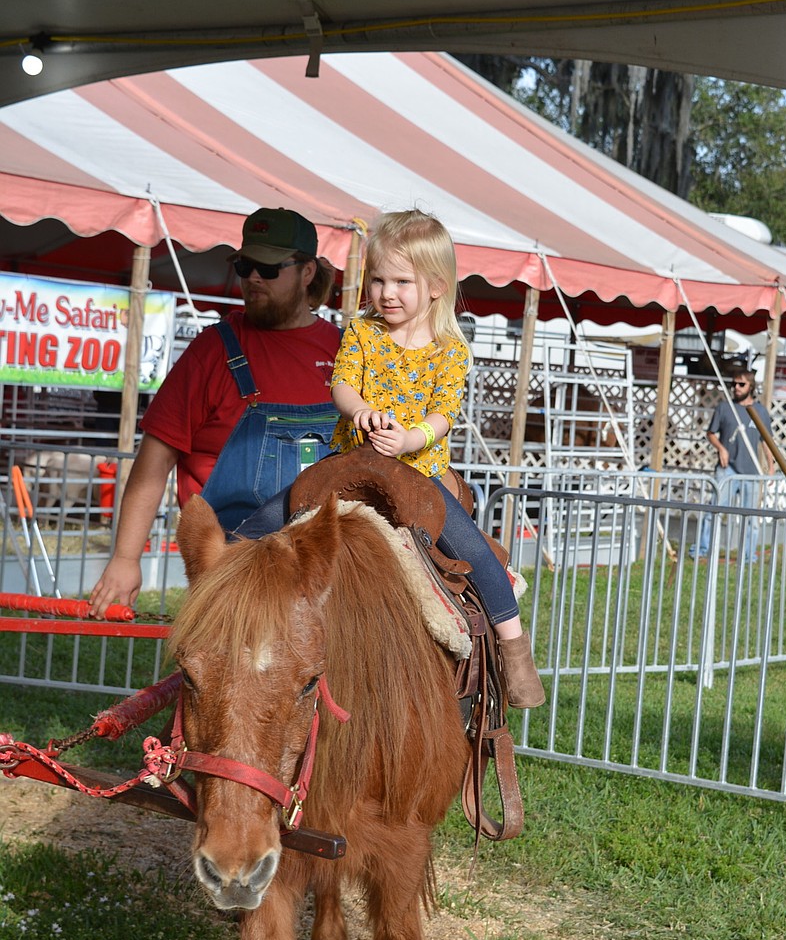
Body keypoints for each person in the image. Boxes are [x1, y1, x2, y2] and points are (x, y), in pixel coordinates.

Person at [329, 208, 545, 709]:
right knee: (269, 523)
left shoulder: (449, 350)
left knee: (477, 554)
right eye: (378, 280)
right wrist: (360, 411)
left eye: (401, 281)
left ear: (435, 286)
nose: (387, 293)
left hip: (419, 473)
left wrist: (410, 440)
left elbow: (445, 413)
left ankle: (514, 650)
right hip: (351, 462)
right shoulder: (362, 332)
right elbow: (342, 383)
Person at [88, 207, 340, 617]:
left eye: (268, 268)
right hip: (230, 565)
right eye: (244, 266)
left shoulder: (345, 352)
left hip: (321, 567)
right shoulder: (213, 351)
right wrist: (125, 558)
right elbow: (154, 461)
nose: (253, 278)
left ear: (307, 272)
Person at [690, 366, 775, 562]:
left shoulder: (760, 411)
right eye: (733, 384)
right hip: (727, 469)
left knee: (751, 518)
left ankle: (748, 556)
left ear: (750, 386)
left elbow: (767, 441)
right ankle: (702, 550)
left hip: (751, 471)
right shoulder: (724, 408)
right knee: (714, 511)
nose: (736, 387)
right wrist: (721, 448)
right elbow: (711, 433)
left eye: (741, 384)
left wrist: (771, 467)